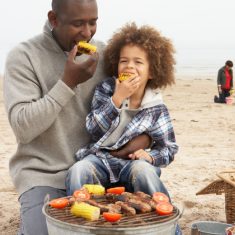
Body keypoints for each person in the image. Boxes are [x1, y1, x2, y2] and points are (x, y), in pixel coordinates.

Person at [3, 1, 150, 234]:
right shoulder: (23, 57)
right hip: (45, 174)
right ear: (54, 19)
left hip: (98, 170)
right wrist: (68, 82)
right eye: (78, 24)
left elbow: (143, 107)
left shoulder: (106, 54)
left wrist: (144, 141)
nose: (87, 32)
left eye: (93, 22)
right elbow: (23, 127)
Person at [66, 22, 180, 233]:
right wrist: (117, 100)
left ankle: (168, 228)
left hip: (131, 164)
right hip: (100, 159)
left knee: (144, 171)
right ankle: (76, 229)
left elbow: (169, 148)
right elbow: (93, 127)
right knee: (78, 169)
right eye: (124, 61)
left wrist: (151, 157)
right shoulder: (107, 89)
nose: (129, 66)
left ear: (152, 71)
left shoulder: (156, 108)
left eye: (138, 62)